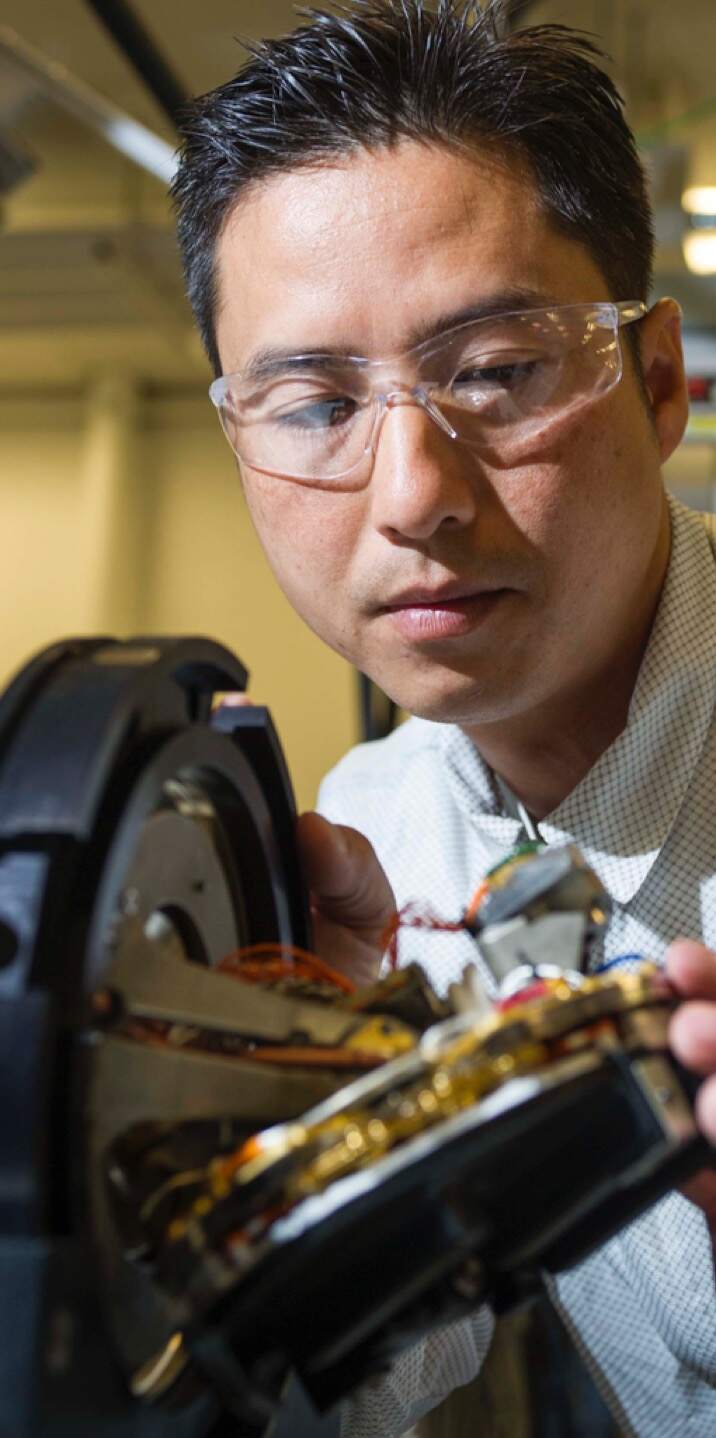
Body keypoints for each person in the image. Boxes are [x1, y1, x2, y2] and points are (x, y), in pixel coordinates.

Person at [171, 2, 716, 1432]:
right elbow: (364, 1367)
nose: (411, 492)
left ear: (656, 380)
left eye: (493, 371)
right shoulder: (375, 844)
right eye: (310, 402)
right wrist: (254, 1163)